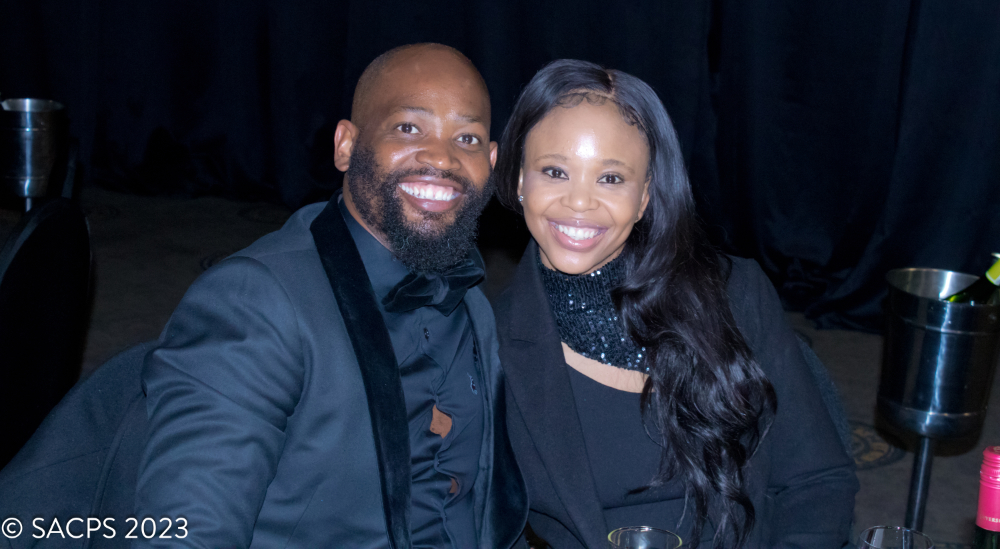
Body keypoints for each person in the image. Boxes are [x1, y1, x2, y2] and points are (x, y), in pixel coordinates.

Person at [134, 43, 527, 548]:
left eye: (466, 138)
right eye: (409, 128)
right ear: (346, 146)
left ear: (490, 163)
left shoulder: (473, 301)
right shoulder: (256, 302)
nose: (441, 156)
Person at [492, 59, 858, 549]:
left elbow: (817, 482)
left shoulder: (736, 294)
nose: (579, 202)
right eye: (555, 171)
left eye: (611, 178)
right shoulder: (488, 340)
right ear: (520, 180)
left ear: (644, 196)